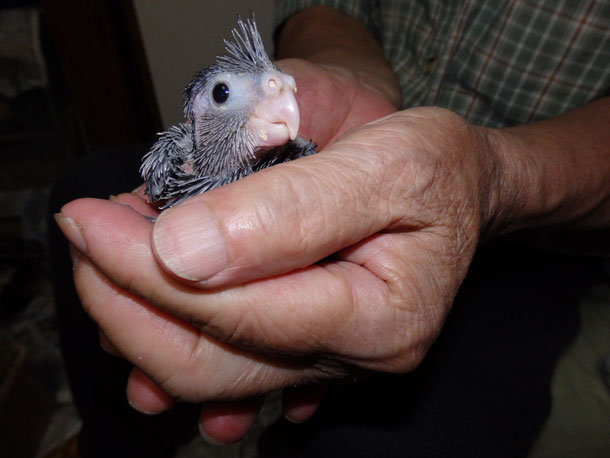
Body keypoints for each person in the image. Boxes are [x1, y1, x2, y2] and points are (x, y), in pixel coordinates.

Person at [51, 2, 610, 456]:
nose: (279, 101)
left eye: (277, 88)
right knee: (83, 190)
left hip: (537, 227)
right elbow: (327, 10)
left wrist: (498, 180)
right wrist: (352, 72)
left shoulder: (295, 154)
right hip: (363, 110)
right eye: (226, 94)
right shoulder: (178, 160)